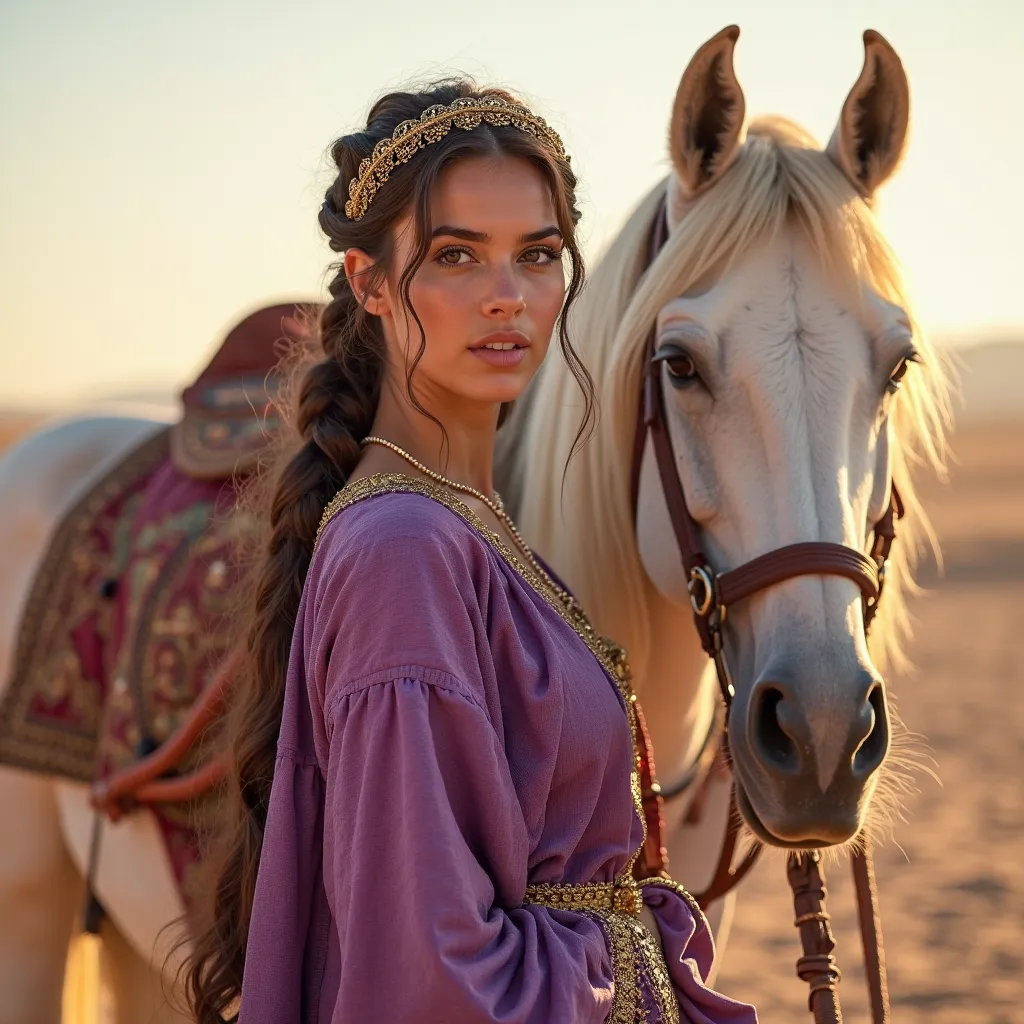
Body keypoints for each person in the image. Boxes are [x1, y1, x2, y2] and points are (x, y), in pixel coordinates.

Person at [186, 80, 758, 1024]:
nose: (507, 297)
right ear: (369, 282)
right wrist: (629, 962)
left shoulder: (463, 519)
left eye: (536, 256)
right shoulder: (404, 549)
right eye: (456, 256)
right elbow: (431, 980)